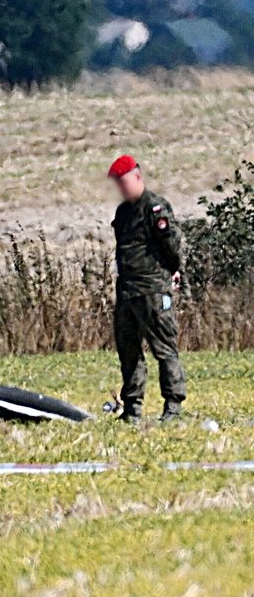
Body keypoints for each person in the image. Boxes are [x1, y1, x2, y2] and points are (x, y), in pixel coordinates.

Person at [108, 154, 186, 423]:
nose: (120, 188)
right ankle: (132, 408)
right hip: (127, 292)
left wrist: (173, 270)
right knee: (128, 350)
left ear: (137, 177)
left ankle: (173, 406)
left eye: (123, 182)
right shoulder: (123, 213)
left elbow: (172, 245)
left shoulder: (155, 208)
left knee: (164, 349)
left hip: (153, 289)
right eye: (117, 184)